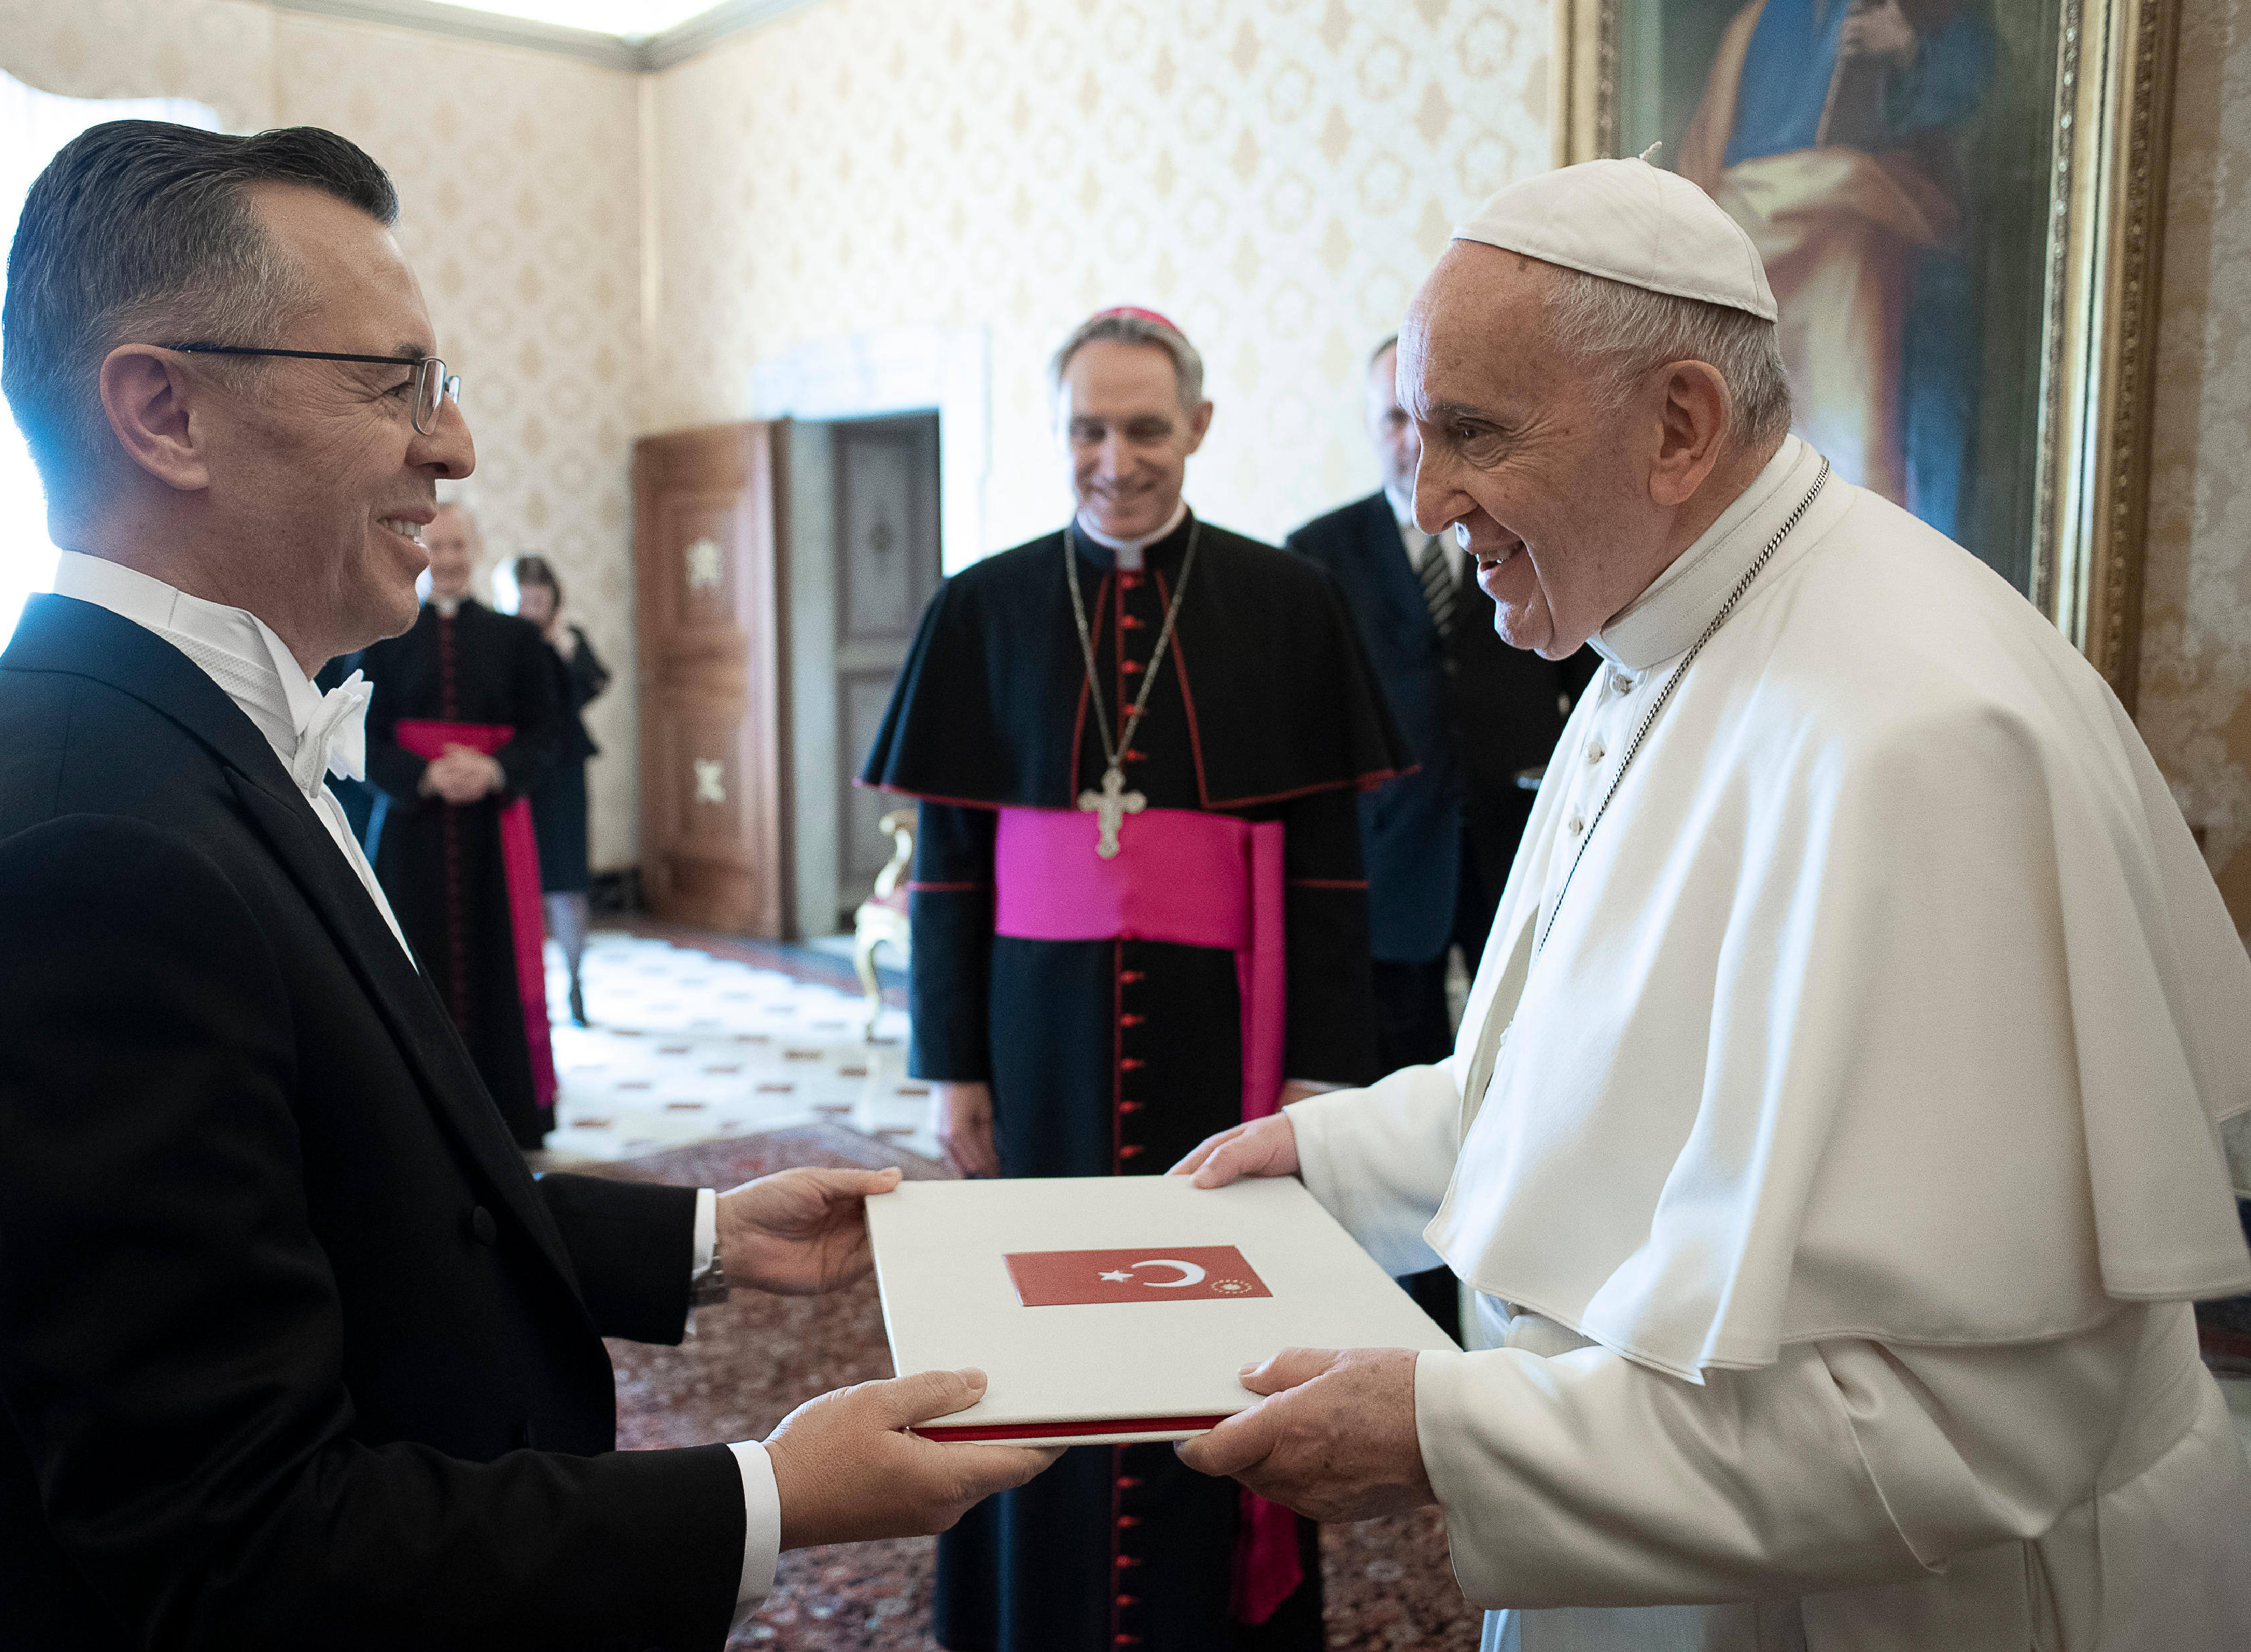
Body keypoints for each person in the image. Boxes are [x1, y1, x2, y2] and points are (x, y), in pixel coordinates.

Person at [0, 119, 1053, 1647]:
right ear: (165, 412)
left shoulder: (170, 746)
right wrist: (772, 1494)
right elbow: (241, 1549)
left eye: (442, 383)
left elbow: (340, 1194)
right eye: (393, 384)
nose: (456, 446)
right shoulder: (81, 867)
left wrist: (703, 1240)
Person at [1171, 157, 2251, 1649]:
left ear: (1678, 427)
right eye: (1418, 434)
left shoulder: (1918, 737)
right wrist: (1329, 1153)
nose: (1426, 502)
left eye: (1473, 433)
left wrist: (1443, 1434)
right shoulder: (1659, 632)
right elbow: (1599, 1074)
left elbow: (1966, 1425)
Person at [861, 306, 1403, 1652]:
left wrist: (1316, 1074)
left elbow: (1331, 870)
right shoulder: (982, 604)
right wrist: (952, 1066)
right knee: (1031, 1323)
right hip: (1032, 1039)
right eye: (1088, 430)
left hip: (1230, 1034)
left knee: (1219, 1309)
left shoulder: (1287, 602)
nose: (1116, 460)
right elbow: (951, 868)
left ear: (1198, 427)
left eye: (1146, 428)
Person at [1286, 338, 1595, 1344]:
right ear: (1368, 429)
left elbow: (1586, 676)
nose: (1412, 446)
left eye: (1435, 426)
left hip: (1514, 846)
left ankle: (1512, 1283)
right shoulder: (1317, 553)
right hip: (1388, 865)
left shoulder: (1522, 531)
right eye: (1393, 421)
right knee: (1397, 1096)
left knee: (1521, 1068)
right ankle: (1403, 1322)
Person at [1677, 0, 1994, 536]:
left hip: (1859, 241)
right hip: (1765, 243)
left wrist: (1908, 52)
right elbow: (1708, 161)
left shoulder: (1919, 14)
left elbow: (1978, 91)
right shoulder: (1758, 22)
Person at [358, 502, 568, 1148]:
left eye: (459, 547)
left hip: (493, 833)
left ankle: (507, 1114)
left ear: (476, 549)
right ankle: (416, 1117)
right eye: (438, 546)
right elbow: (357, 733)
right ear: (419, 547)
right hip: (410, 830)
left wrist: (495, 768)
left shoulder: (517, 640)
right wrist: (423, 776)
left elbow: (548, 731)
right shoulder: (381, 634)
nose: (448, 559)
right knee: (406, 962)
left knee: (497, 964)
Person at [510, 553, 610, 1028]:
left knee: (568, 883)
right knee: (519, 883)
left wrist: (563, 649)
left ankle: (575, 983)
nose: (533, 610)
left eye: (541, 600)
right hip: (519, 771)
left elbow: (595, 683)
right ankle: (525, 993)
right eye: (525, 601)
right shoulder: (502, 641)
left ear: (554, 600)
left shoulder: (570, 638)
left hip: (565, 770)